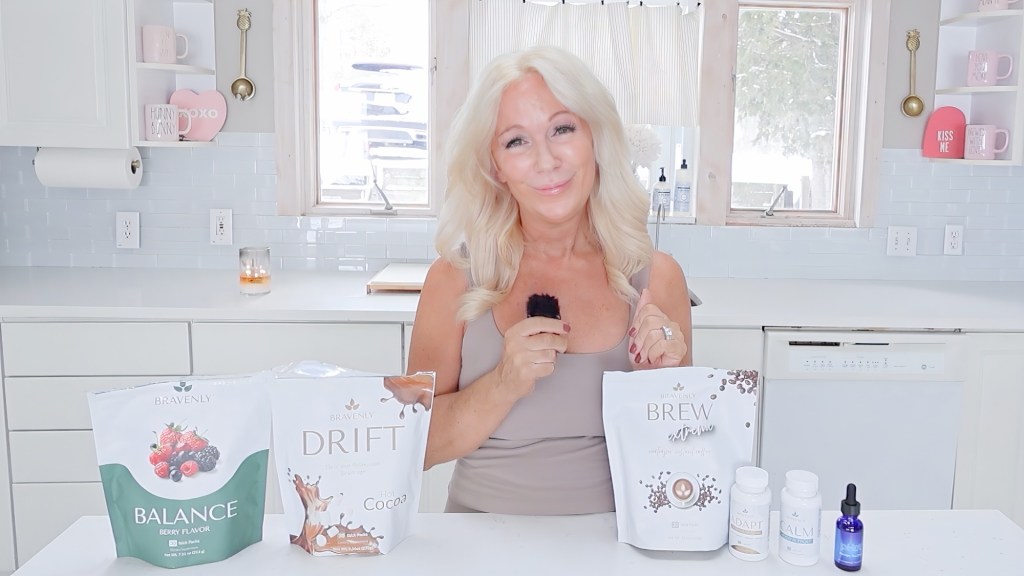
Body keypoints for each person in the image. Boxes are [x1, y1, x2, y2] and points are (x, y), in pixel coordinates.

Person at [406, 46, 693, 515]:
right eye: (516, 141)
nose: (546, 160)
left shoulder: (656, 278)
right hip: (481, 548)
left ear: (595, 138)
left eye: (562, 129)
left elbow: (683, 457)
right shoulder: (453, 282)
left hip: (622, 546)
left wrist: (661, 386)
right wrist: (503, 381)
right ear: (495, 166)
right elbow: (414, 448)